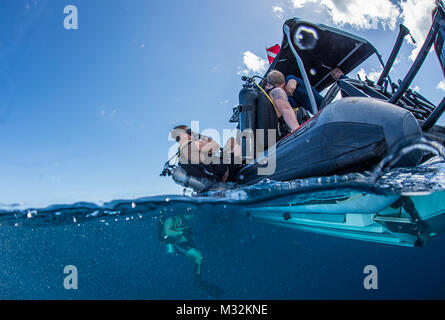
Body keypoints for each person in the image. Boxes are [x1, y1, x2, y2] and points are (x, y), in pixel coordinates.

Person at [158, 212, 223, 297]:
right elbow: (167, 232)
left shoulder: (181, 218)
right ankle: (198, 281)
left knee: (199, 258)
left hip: (183, 242)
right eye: (191, 213)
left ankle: (198, 280)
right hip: (178, 244)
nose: (193, 215)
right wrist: (182, 232)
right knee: (198, 257)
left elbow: (183, 227)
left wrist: (186, 231)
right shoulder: (171, 218)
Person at [170, 125, 242, 183]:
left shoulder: (181, 152)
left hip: (212, 178)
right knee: (233, 141)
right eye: (189, 131)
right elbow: (216, 146)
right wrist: (200, 136)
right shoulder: (193, 145)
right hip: (226, 173)